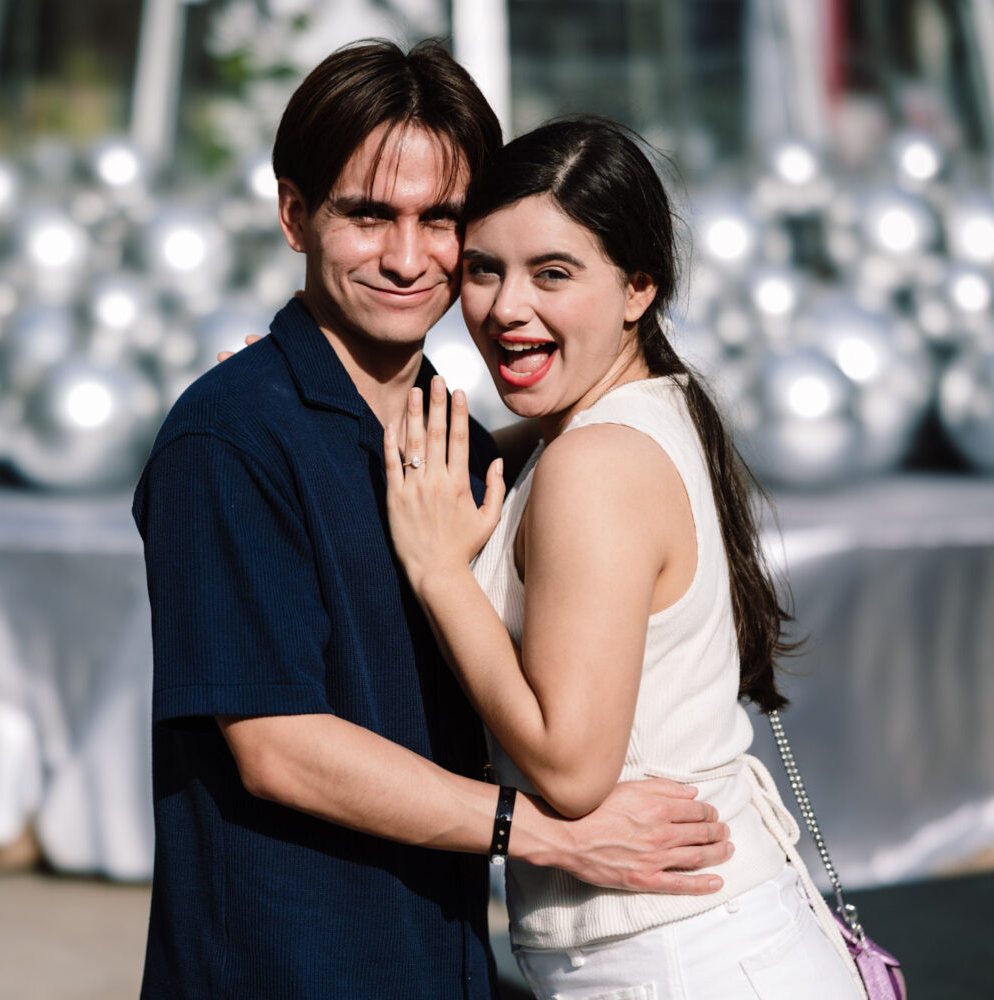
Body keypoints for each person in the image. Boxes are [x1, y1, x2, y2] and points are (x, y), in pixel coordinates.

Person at [133, 43, 733, 999]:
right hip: (286, 967)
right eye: (369, 215)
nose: (408, 258)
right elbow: (278, 746)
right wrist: (548, 833)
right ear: (294, 215)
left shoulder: (465, 447)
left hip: (447, 961)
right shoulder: (229, 440)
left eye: (440, 220)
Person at [382, 115, 867, 999]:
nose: (506, 306)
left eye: (553, 273)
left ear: (638, 287)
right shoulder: (628, 419)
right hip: (698, 943)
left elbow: (572, 769)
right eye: (485, 268)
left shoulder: (594, 463)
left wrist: (440, 575)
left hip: (681, 960)